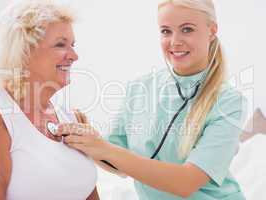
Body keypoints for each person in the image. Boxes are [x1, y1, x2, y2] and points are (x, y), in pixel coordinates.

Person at [56, 0, 247, 199]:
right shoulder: (139, 89)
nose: (175, 41)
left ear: (212, 30)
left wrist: (102, 148)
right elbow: (118, 164)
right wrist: (89, 142)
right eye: (166, 31)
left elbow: (186, 182)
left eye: (187, 29)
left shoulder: (230, 103)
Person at [0, 0, 99, 199]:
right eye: (61, 44)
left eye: (73, 45)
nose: (74, 55)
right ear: (24, 51)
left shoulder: (71, 116)